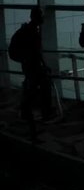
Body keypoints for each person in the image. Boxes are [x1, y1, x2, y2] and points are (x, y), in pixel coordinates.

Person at [18, 7, 53, 140]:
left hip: (28, 66)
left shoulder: (27, 30)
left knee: (32, 89)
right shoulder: (33, 32)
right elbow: (37, 52)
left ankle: (28, 112)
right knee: (40, 87)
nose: (43, 17)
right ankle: (41, 113)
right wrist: (44, 66)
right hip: (33, 67)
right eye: (41, 15)